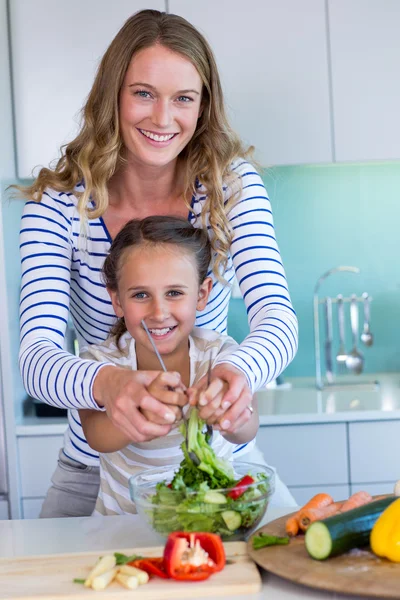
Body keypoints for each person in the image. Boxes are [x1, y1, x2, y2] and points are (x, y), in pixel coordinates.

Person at [17, 9, 298, 518]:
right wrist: (108, 386)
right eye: (143, 93)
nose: (163, 118)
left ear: (202, 106)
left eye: (183, 98)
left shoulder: (230, 188)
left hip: (218, 469)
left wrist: (237, 370)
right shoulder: (57, 204)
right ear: (113, 96)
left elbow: (277, 321)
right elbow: (36, 359)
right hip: (95, 477)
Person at [79, 215, 262, 515]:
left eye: (174, 293)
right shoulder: (101, 362)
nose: (159, 312)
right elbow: (96, 436)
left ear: (202, 294)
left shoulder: (221, 354)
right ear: (117, 301)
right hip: (125, 524)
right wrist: (141, 411)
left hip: (209, 520)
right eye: (140, 295)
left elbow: (248, 429)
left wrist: (227, 415)